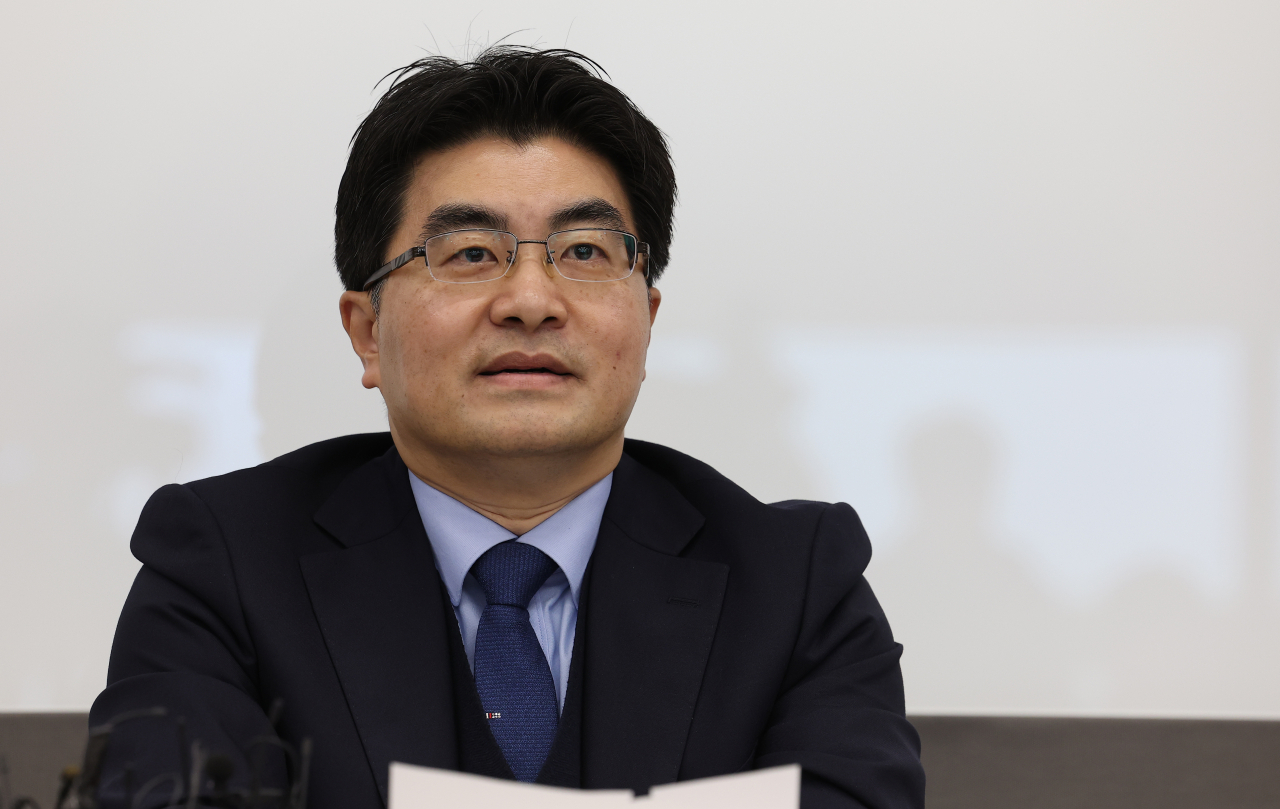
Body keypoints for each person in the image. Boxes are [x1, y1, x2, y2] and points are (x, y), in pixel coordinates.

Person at [89, 47, 925, 809]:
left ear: (647, 320)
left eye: (587, 252)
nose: (531, 300)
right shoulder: (223, 569)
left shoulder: (795, 587)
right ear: (365, 331)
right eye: (471, 255)